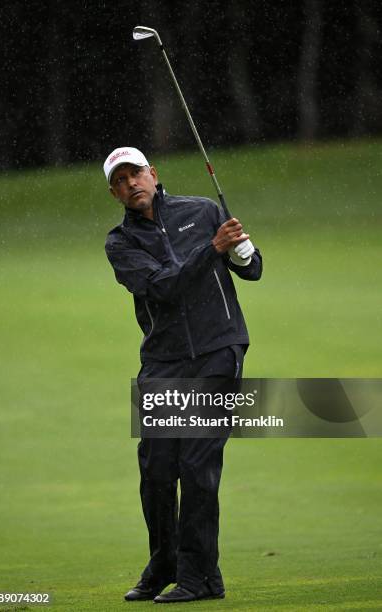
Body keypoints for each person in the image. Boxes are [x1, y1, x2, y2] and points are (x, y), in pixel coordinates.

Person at [103, 147, 263, 604]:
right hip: (163, 360)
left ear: (153, 174)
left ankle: (199, 577)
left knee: (197, 466)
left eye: (136, 173)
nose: (131, 183)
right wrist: (213, 250)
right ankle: (164, 565)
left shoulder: (203, 210)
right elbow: (162, 287)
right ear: (113, 191)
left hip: (218, 351)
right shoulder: (121, 243)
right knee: (156, 469)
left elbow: (252, 271)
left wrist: (242, 252)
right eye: (120, 180)